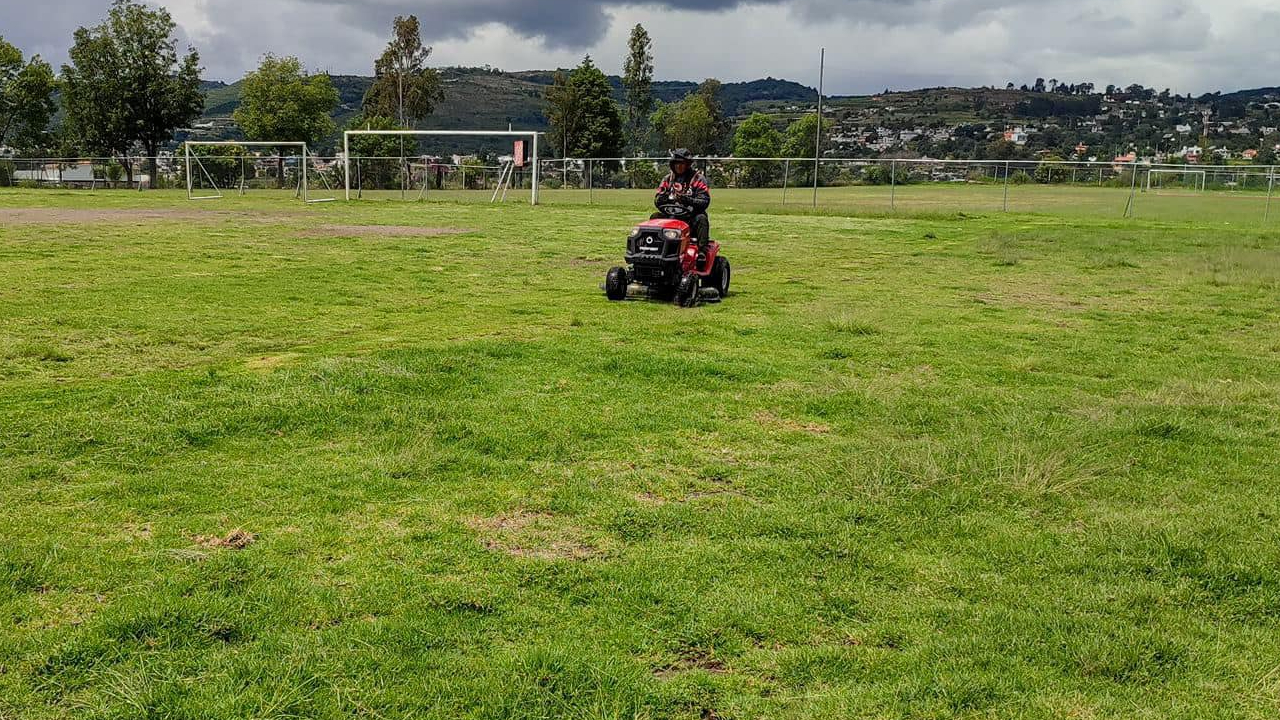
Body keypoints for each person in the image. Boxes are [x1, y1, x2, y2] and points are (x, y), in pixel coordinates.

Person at [652, 148, 711, 247]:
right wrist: (664, 198)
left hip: (690, 219)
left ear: (687, 164)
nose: (678, 166)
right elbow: (658, 199)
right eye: (676, 163)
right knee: (655, 217)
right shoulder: (667, 179)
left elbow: (704, 201)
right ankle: (654, 247)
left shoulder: (698, 179)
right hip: (671, 217)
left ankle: (702, 251)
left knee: (701, 219)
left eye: (682, 163)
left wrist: (687, 200)